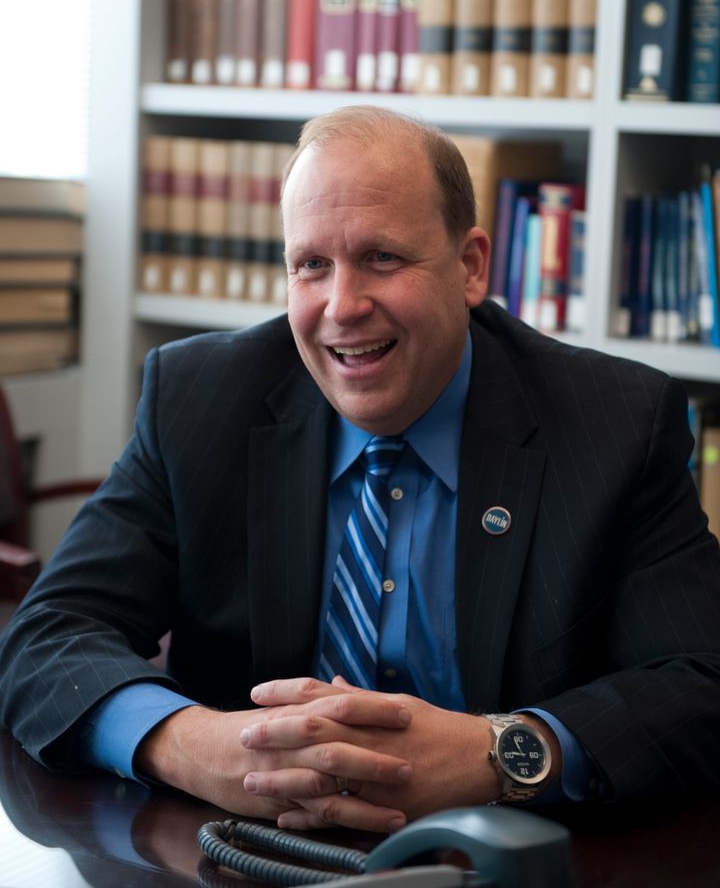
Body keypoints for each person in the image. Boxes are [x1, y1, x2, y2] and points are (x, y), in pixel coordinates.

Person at [1, 106, 719, 836]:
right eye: (312, 265)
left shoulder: (616, 422)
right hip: (247, 856)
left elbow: (702, 681)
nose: (342, 307)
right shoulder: (198, 399)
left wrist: (498, 755)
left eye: (382, 257)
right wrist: (189, 745)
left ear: (470, 267)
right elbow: (47, 636)